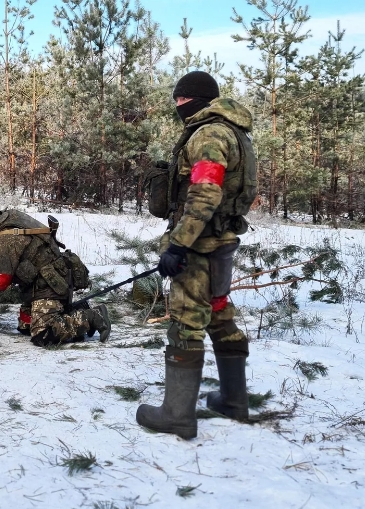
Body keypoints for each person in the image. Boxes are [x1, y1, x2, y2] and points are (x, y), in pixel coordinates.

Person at [135, 70, 256, 439]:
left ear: (190, 99)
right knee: (219, 312)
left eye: (179, 100)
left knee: (187, 322)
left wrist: (178, 244)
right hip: (222, 241)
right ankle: (234, 400)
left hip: (200, 245)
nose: (177, 107)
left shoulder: (209, 134)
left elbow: (205, 193)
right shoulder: (235, 132)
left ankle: (177, 415)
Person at [0, 204, 110, 347]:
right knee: (25, 326)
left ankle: (93, 317)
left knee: (43, 334)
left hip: (50, 284)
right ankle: (72, 312)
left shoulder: (4, 241)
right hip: (42, 281)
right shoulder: (5, 219)